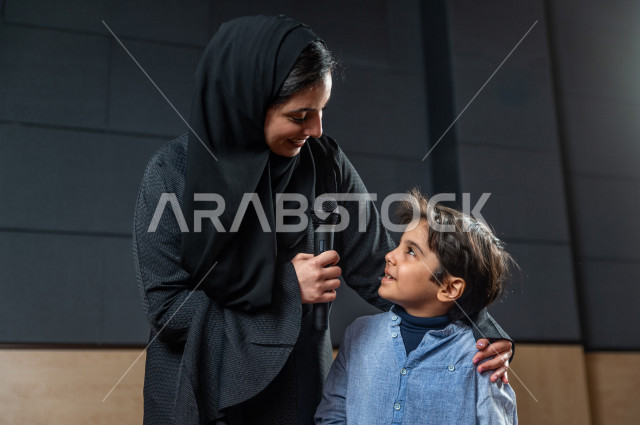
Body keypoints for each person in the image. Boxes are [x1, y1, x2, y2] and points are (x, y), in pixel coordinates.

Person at [133, 15, 513, 425]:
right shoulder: (172, 174)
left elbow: (376, 267)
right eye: (300, 116)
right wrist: (285, 288)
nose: (315, 130)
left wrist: (482, 330)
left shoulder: (325, 164)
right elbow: (168, 311)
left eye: (321, 111)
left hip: (294, 396)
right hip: (197, 395)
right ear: (248, 105)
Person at [315, 189, 518, 424]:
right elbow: (332, 415)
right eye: (399, 245)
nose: (389, 255)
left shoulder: (480, 357)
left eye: (410, 251)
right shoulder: (358, 333)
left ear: (449, 289)